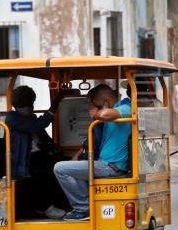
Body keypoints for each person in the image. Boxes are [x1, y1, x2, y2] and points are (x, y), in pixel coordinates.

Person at [54, 85, 131, 221]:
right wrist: (78, 154)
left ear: (106, 101)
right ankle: (87, 205)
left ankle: (83, 209)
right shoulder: (112, 113)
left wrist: (96, 114)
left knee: (60, 168)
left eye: (98, 105)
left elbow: (104, 114)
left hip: (111, 166)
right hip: (102, 163)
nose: (96, 108)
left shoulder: (126, 107)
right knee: (73, 170)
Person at [5, 85, 66, 219]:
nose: (30, 107)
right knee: (45, 173)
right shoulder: (12, 119)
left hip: (37, 156)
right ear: (18, 105)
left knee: (59, 167)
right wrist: (56, 102)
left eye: (31, 104)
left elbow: (43, 137)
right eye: (26, 104)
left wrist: (57, 149)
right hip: (23, 160)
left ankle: (56, 205)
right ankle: (46, 207)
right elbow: (37, 126)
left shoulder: (30, 118)